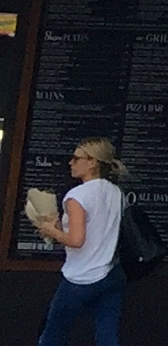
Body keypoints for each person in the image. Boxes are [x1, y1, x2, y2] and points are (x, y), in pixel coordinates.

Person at [26, 136, 127, 345]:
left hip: (81, 276)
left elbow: (76, 240)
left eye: (76, 158)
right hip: (111, 272)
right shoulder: (116, 192)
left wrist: (50, 230)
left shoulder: (77, 196)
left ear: (92, 162)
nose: (70, 163)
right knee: (107, 337)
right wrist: (60, 226)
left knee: (52, 336)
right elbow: (98, 227)